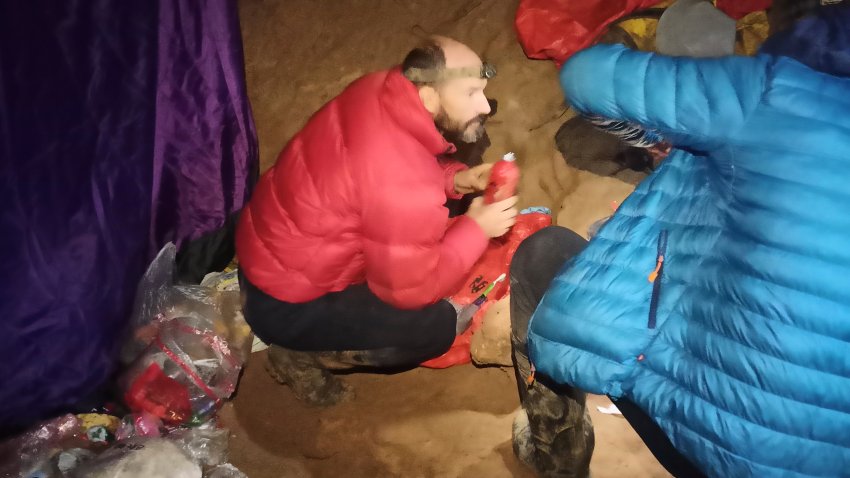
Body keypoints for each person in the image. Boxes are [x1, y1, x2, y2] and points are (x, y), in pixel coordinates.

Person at [508, 13, 850, 478]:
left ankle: (555, 453)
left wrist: (666, 132)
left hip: (711, 438)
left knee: (544, 254)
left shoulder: (772, 92)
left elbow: (586, 76)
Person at [236, 36, 518, 406]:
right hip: (283, 303)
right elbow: (412, 291)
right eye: (469, 94)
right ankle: (301, 355)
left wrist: (453, 179)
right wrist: (477, 229)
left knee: (438, 215)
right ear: (430, 98)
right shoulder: (401, 183)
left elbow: (377, 169)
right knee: (433, 328)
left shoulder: (380, 88)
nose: (483, 105)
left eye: (482, 90)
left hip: (264, 252)